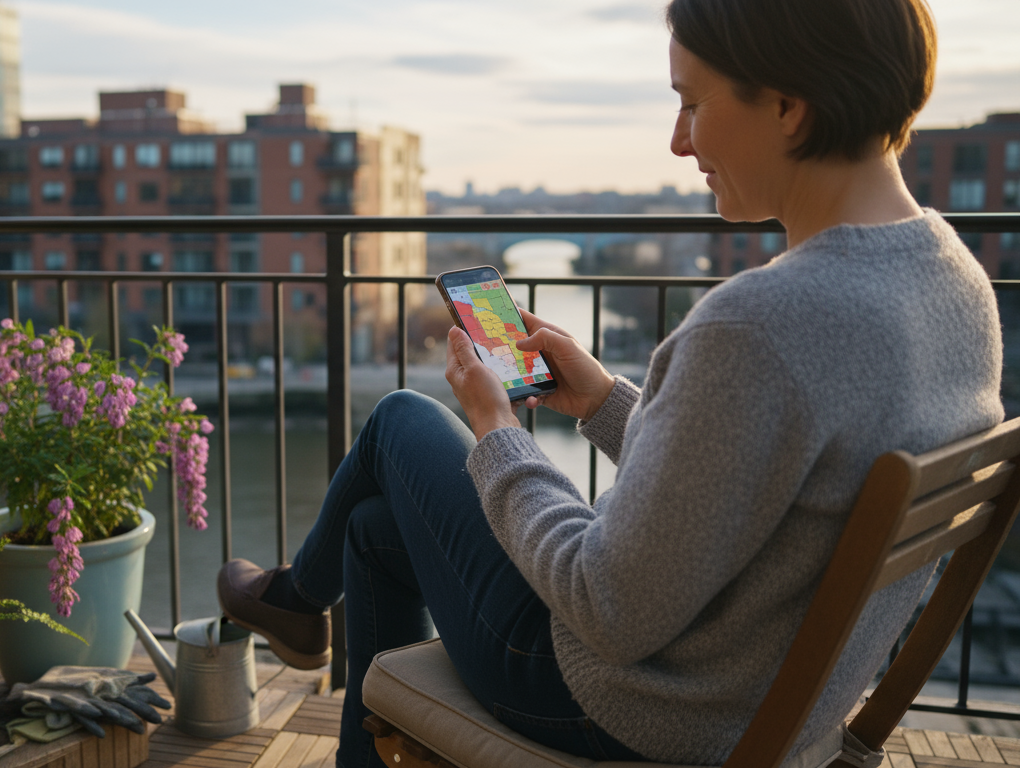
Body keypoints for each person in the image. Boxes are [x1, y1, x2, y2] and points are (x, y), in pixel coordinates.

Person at [219, 0, 1003, 764]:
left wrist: (498, 432)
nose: (676, 141)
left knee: (397, 420)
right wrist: (600, 401)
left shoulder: (758, 325)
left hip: (627, 707)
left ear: (788, 106)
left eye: (692, 104)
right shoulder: (957, 287)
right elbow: (754, 486)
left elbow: (607, 607)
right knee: (378, 530)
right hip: (767, 707)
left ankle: (294, 603)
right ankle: (299, 614)